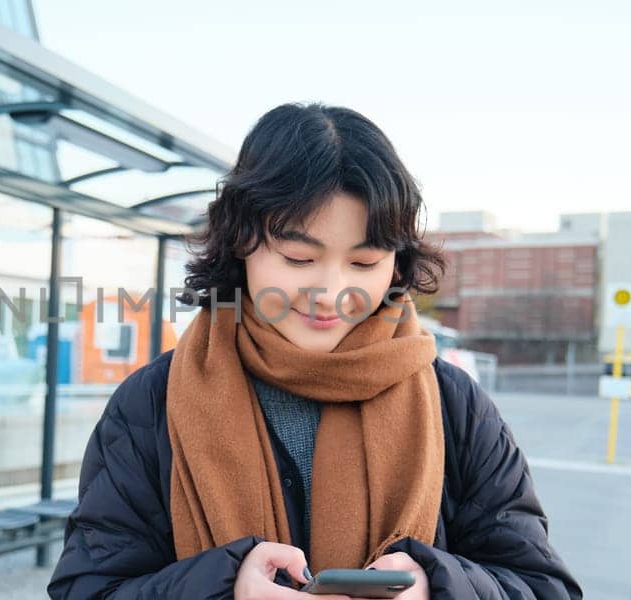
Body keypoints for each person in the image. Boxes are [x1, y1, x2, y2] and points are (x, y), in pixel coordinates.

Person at [47, 103, 581, 599]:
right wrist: (224, 586)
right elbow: (87, 588)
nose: (331, 293)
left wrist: (436, 586)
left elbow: (541, 586)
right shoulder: (150, 404)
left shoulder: (454, 404)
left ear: (396, 263)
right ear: (240, 241)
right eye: (299, 258)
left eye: (365, 263)